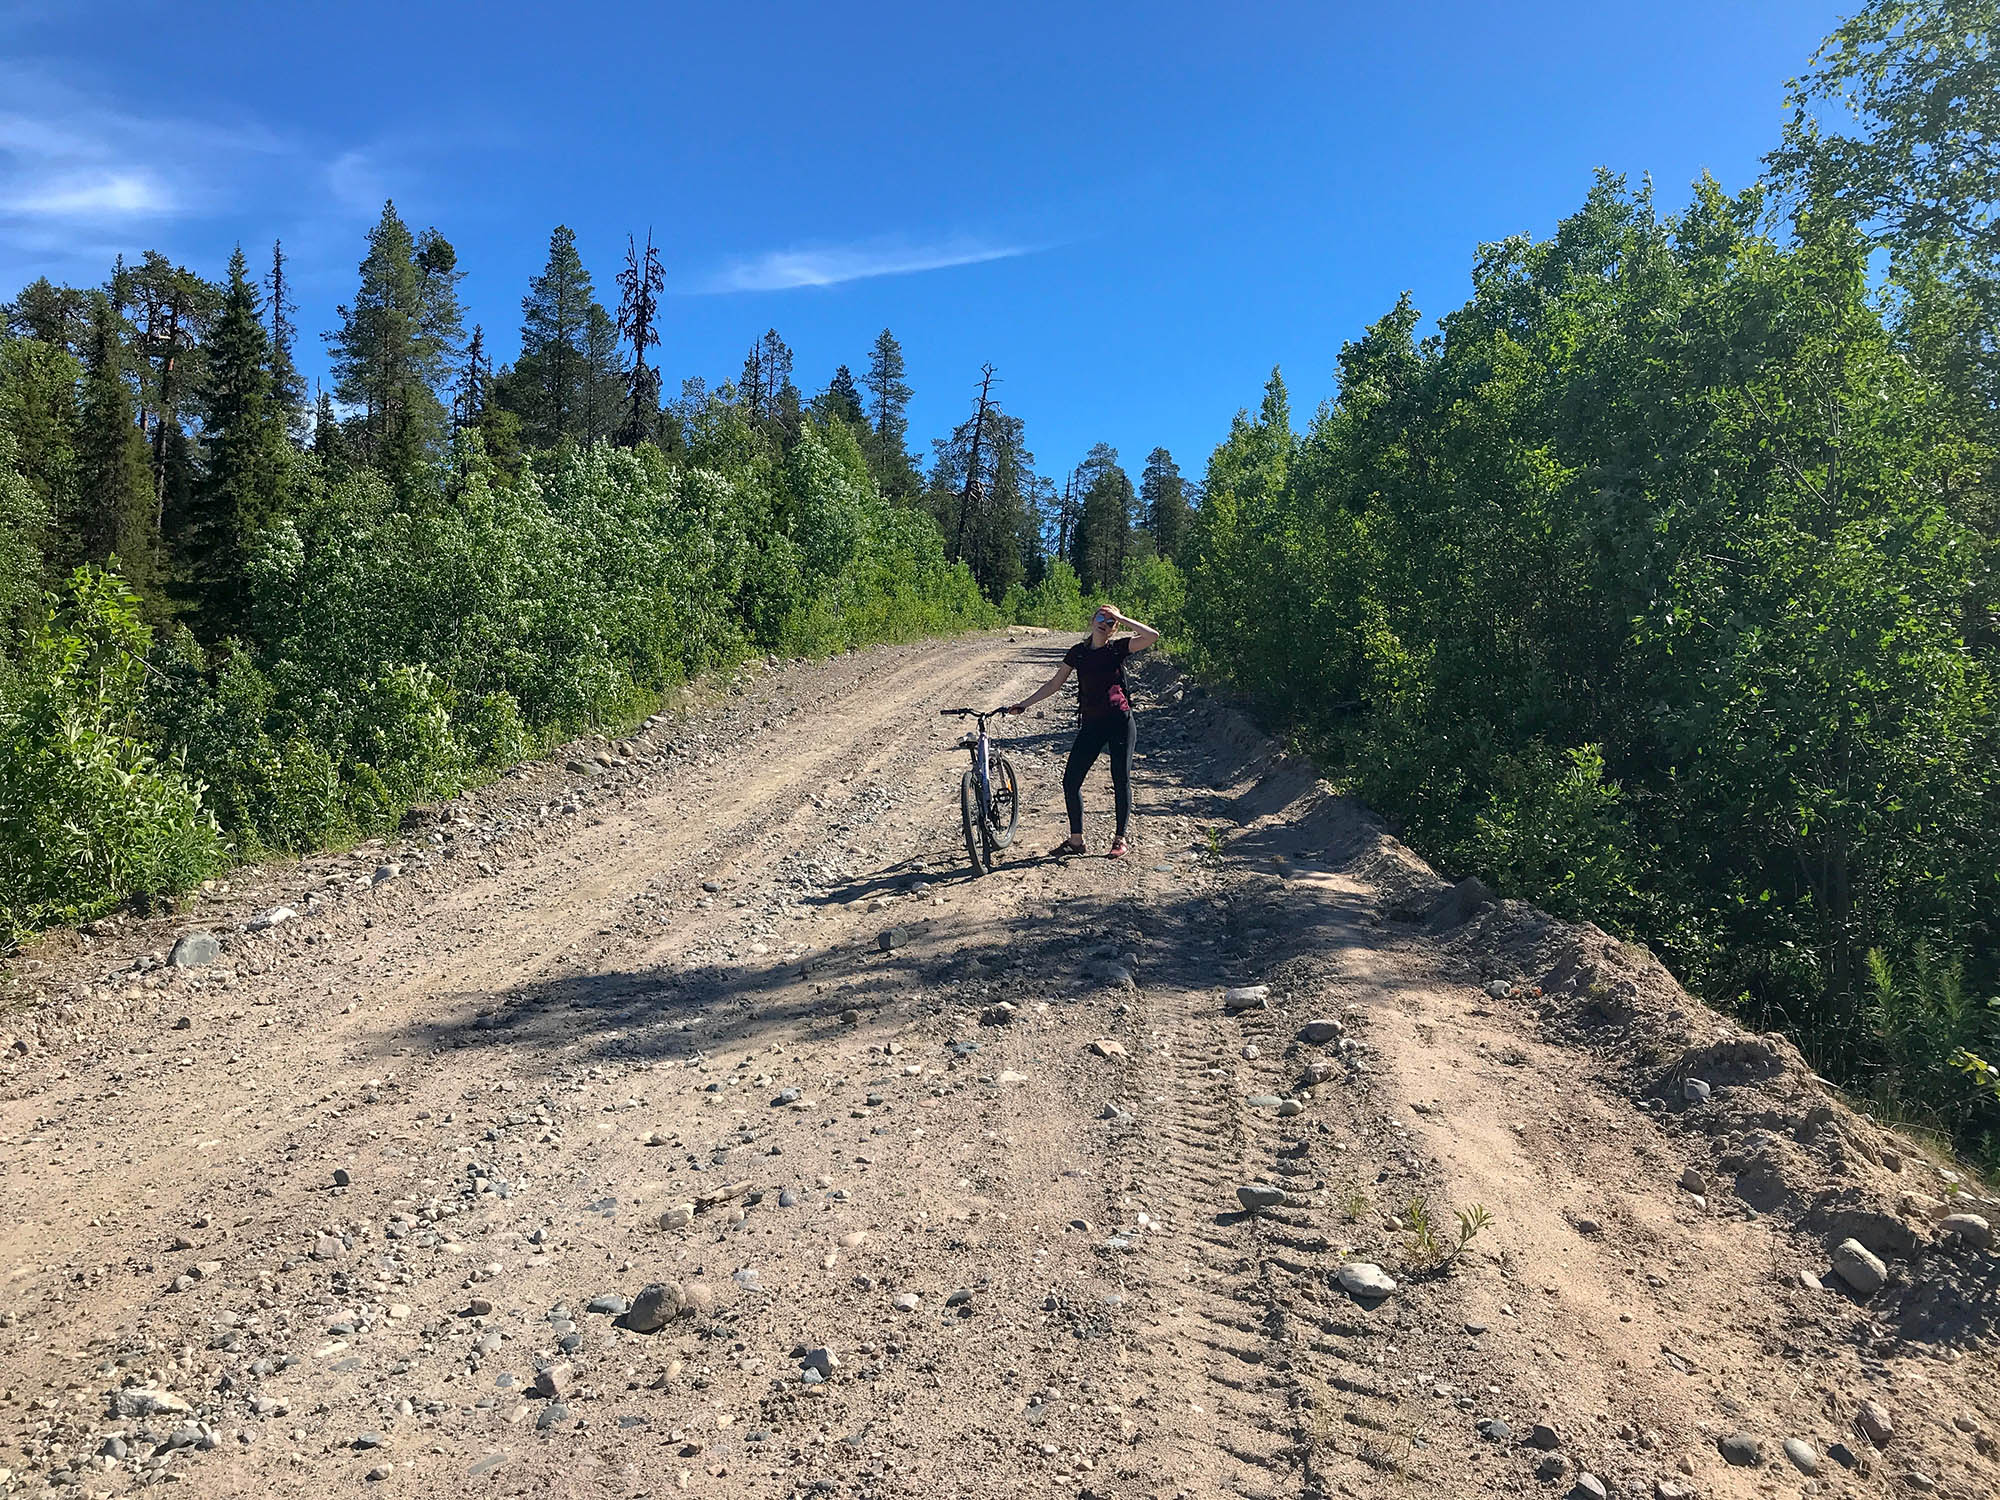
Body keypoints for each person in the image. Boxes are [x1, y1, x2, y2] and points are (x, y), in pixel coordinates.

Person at [1006, 602, 1159, 858]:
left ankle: (1120, 839)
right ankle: (1076, 841)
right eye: (1101, 616)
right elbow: (1054, 683)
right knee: (1071, 780)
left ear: (1114, 628)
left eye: (1110, 621)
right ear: (1092, 619)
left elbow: (1152, 636)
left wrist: (1121, 617)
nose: (1104, 623)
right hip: (1092, 724)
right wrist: (1024, 704)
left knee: (1120, 778)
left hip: (1120, 721)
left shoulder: (1117, 649)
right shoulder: (1077, 653)